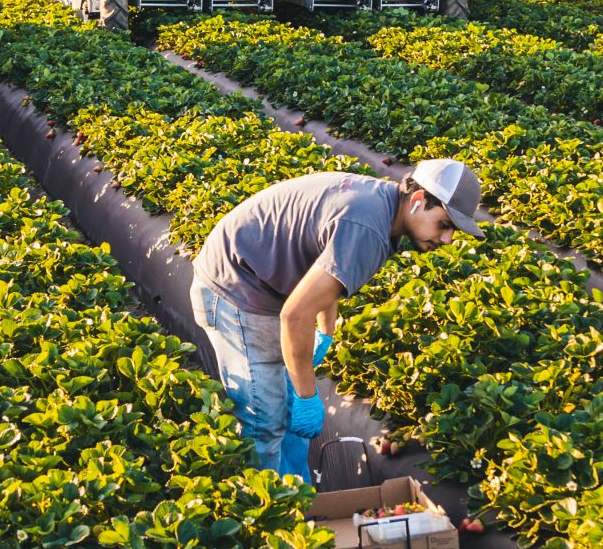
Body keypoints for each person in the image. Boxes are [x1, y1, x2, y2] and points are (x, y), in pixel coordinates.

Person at [190, 159, 484, 479]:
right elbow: (295, 314)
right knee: (265, 422)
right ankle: (268, 514)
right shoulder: (369, 228)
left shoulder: (380, 204)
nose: (448, 240)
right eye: (444, 224)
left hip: (260, 280)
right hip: (236, 288)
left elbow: (323, 264)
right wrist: (306, 395)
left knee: (287, 417)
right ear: (417, 201)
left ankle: (298, 498)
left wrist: (326, 332)